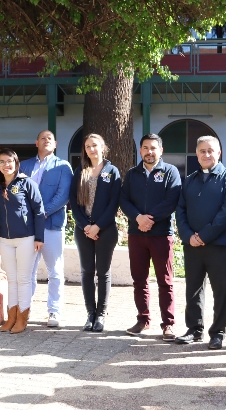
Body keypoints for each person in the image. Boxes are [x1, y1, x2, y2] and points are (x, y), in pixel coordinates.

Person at [174, 136, 226, 350]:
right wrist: (187, 235)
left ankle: (218, 332)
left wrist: (204, 235)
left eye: (211, 150)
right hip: (192, 245)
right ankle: (194, 329)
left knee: (221, 291)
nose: (206, 154)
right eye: (202, 151)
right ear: (197, 153)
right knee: (193, 288)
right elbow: (180, 210)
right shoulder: (190, 179)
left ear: (219, 153)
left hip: (219, 245)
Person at [119, 133, 181, 340]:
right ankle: (143, 320)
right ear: (140, 150)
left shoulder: (170, 172)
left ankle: (168, 324)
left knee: (165, 281)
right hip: (137, 234)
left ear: (161, 150)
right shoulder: (132, 174)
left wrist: (149, 219)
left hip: (161, 234)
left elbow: (171, 200)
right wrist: (138, 218)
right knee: (139, 280)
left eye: (153, 148)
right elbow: (124, 199)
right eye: (145, 148)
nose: (149, 152)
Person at [20, 130, 73, 327]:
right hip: (27, 227)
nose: (46, 141)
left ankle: (54, 312)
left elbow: (63, 195)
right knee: (27, 271)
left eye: (49, 139)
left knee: (55, 271)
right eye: (42, 138)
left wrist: (43, 213)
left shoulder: (63, 166)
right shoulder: (24, 166)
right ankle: (24, 310)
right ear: (36, 142)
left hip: (51, 225)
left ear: (56, 144)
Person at [69, 134, 121, 332]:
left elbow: (114, 202)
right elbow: (73, 202)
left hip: (105, 230)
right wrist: (85, 226)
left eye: (95, 145)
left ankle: (101, 315)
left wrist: (98, 226)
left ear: (103, 147)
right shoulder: (80, 171)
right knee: (87, 272)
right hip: (83, 230)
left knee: (103, 272)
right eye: (88, 146)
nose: (92, 149)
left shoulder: (112, 171)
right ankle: (90, 313)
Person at [0, 148, 45, 334]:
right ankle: (11, 318)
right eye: (1, 162)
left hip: (26, 238)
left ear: (16, 163)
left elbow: (39, 211)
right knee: (12, 279)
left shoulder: (26, 183)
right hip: (5, 240)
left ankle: (23, 318)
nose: (6, 165)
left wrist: (39, 237)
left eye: (9, 161)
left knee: (23, 279)